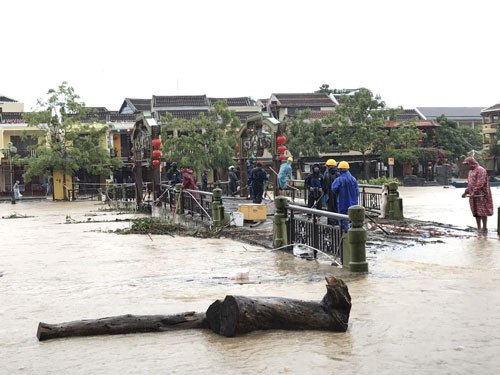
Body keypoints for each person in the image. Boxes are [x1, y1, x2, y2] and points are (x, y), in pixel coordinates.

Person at [461, 157, 493, 231]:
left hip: (482, 195)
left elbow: (480, 183)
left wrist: (474, 191)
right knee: (475, 212)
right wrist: (466, 192)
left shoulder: (481, 170)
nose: (466, 166)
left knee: (482, 211)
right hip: (473, 195)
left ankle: (484, 227)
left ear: (471, 163)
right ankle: (478, 227)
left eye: (467, 164)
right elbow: (470, 184)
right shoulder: (470, 172)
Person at [331, 161, 359, 230]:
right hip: (353, 202)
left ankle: (345, 232)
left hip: (342, 202)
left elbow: (334, 189)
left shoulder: (339, 180)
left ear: (339, 169)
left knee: (343, 217)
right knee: (352, 217)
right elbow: (357, 191)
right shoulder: (353, 179)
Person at [322, 159, 338, 225]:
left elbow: (324, 187)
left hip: (329, 196)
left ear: (329, 166)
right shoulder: (339, 174)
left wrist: (324, 192)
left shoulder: (327, 175)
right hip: (338, 196)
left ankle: (331, 224)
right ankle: (337, 223)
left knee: (330, 210)